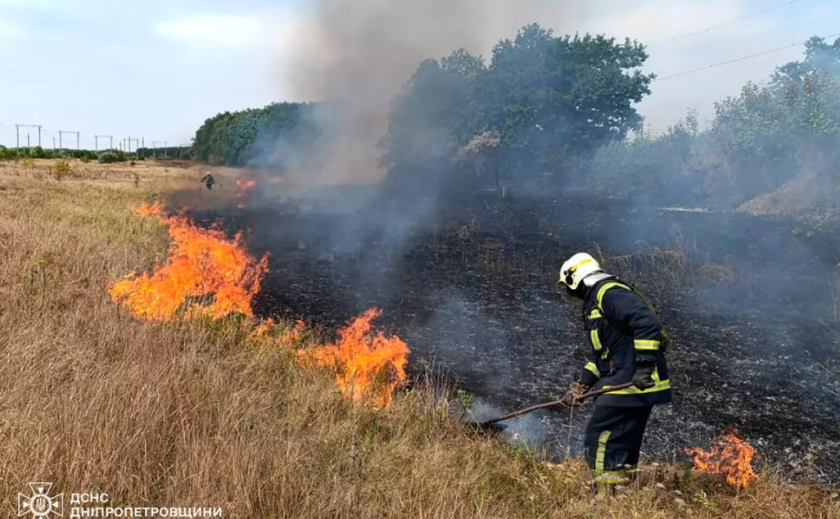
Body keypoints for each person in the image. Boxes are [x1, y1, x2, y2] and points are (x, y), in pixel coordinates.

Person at [557, 252, 672, 495]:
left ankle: (604, 495)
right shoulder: (598, 301)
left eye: (568, 287)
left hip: (634, 380)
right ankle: (621, 493)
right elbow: (604, 357)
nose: (570, 293)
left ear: (575, 278)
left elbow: (647, 321)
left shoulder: (608, 293)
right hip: (629, 378)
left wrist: (645, 366)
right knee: (622, 438)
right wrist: (581, 387)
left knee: (599, 436)